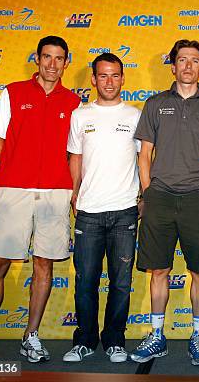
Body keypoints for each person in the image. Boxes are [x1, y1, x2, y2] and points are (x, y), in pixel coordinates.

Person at [0, 36, 80, 364]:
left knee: (44, 264)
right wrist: (19, 171)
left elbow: (76, 153)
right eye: (47, 57)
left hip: (56, 193)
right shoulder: (12, 92)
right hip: (14, 191)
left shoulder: (73, 102)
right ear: (37, 60)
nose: (52, 64)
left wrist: (68, 189)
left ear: (66, 62)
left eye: (59, 58)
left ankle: (31, 336)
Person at [130, 40, 199, 366]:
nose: (187, 66)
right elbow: (144, 154)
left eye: (194, 61)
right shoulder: (155, 104)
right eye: (181, 60)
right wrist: (148, 192)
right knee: (159, 269)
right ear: (172, 66)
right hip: (160, 198)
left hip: (198, 198)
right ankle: (157, 335)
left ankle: (197, 336)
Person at [62, 53, 141, 363]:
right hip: (89, 211)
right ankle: (84, 340)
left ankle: (115, 340)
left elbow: (144, 158)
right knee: (86, 280)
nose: (110, 81)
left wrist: (143, 196)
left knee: (121, 281)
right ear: (93, 79)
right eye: (103, 76)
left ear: (123, 78)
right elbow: (76, 157)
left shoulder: (135, 116)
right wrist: (75, 194)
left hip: (124, 211)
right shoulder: (80, 115)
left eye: (115, 75)